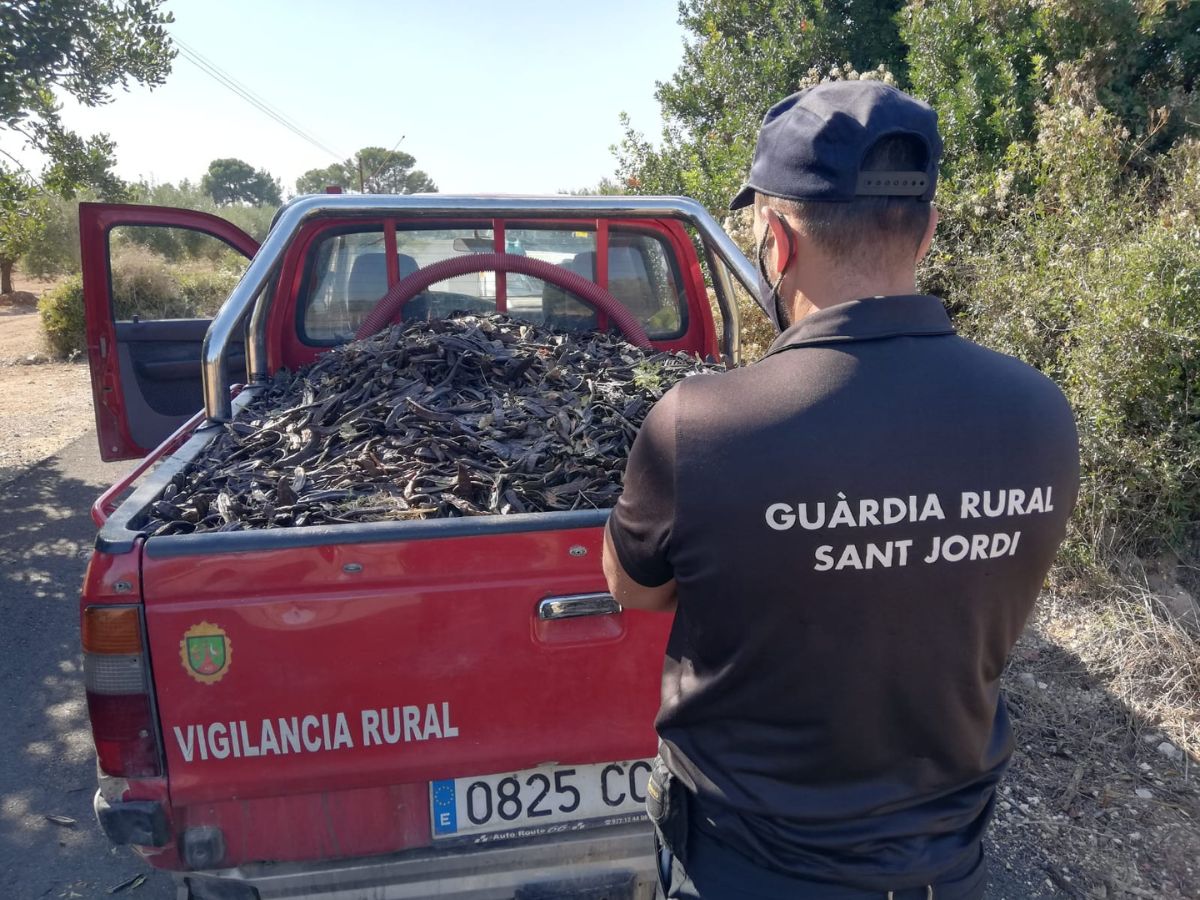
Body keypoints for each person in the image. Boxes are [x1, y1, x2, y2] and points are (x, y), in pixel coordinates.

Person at [602, 80, 1080, 900]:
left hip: (743, 869)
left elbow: (634, 594)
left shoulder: (702, 427)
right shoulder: (1040, 412)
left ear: (776, 243)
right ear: (927, 231)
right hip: (945, 865)